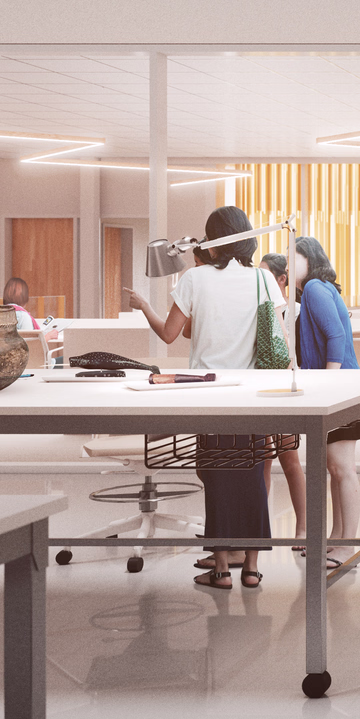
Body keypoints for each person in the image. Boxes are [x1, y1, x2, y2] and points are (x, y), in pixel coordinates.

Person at [125, 206, 278, 592]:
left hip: (208, 392)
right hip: (253, 394)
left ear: (213, 240)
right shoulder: (263, 280)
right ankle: (253, 568)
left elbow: (170, 335)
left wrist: (144, 306)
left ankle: (222, 569)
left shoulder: (195, 278)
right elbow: (271, 336)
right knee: (254, 476)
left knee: (216, 477)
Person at [290, 236, 360, 570]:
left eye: (294, 258)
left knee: (342, 468)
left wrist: (327, 385)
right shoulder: (316, 289)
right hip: (339, 386)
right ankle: (336, 539)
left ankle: (347, 545)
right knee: (335, 469)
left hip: (340, 388)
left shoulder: (315, 290)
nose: (290, 264)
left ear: (310, 258)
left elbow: (336, 336)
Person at [257, 253, 308, 538]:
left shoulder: (297, 311)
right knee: (262, 459)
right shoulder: (261, 308)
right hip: (263, 389)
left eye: (266, 275)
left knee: (290, 459)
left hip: (286, 389)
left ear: (281, 280)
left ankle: (302, 527)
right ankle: (260, 527)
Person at [2, 276, 63, 366]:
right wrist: (48, 336)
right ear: (24, 297)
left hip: (10, 366)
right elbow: (29, 347)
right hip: (31, 366)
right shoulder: (23, 316)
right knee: (71, 360)